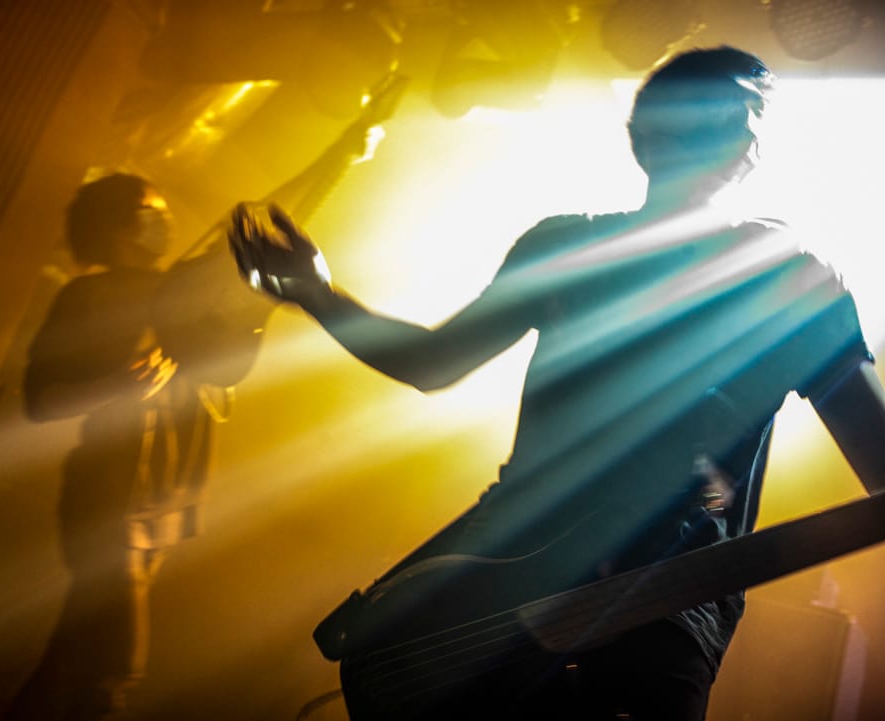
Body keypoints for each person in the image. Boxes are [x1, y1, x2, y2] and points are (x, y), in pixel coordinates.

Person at [229, 47, 885, 720]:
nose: (727, 127)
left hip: (662, 610)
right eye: (706, 111)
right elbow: (436, 362)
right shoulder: (563, 245)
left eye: (738, 114)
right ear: (642, 135)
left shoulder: (791, 278)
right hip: (500, 579)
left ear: (749, 147)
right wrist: (317, 293)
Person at [5, 76, 401, 720]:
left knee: (72, 657)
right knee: (109, 665)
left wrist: (342, 155)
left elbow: (259, 224)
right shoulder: (95, 296)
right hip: (109, 496)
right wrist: (110, 386)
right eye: (149, 211)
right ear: (116, 228)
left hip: (160, 493)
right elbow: (38, 402)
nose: (163, 220)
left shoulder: (177, 294)